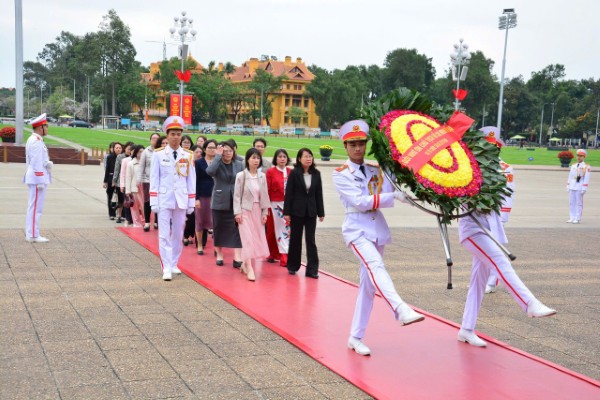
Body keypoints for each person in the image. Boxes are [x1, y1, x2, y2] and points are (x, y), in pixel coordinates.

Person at [332, 119, 424, 357]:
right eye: (352, 144)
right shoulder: (341, 174)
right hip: (356, 229)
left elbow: (388, 189)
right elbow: (360, 202)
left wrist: (394, 165)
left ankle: (355, 337)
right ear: (345, 146)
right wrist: (392, 196)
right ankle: (400, 309)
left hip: (376, 229)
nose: (358, 148)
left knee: (368, 287)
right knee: (375, 266)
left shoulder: (375, 169)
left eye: (361, 143)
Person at [458, 207, 557, 347]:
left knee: (478, 282)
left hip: (487, 231)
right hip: (473, 231)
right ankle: (529, 303)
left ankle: (466, 329)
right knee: (501, 262)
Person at [150, 116, 196, 281]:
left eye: (178, 134)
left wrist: (191, 202)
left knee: (178, 233)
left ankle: (174, 262)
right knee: (164, 234)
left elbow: (191, 180)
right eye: (173, 134)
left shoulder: (187, 155)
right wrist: (154, 201)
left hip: (181, 199)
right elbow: (154, 178)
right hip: (164, 198)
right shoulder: (158, 154)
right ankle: (166, 267)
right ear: (167, 136)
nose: (176, 137)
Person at [480, 129, 515, 294]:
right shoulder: (480, 165)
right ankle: (481, 281)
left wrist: (504, 216)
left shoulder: (506, 168)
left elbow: (509, 193)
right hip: (482, 213)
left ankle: (492, 282)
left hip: (497, 214)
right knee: (482, 247)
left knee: (494, 248)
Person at [283, 148, 325, 279]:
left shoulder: (316, 174)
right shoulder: (294, 173)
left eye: (310, 156)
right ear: (299, 159)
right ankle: (292, 266)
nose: (308, 159)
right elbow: (289, 194)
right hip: (297, 211)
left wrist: (321, 212)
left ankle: (312, 269)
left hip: (311, 212)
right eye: (306, 156)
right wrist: (287, 212)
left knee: (310, 240)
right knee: (295, 239)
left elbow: (318, 194)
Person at [233, 148, 271, 281]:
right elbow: (236, 196)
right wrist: (237, 212)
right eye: (253, 158)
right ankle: (249, 268)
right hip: (245, 210)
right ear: (247, 160)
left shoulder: (262, 176)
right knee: (247, 239)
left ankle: (244, 264)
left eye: (258, 158)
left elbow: (265, 195)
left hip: (257, 210)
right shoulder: (241, 176)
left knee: (255, 239)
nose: (256, 160)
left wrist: (265, 212)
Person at [206, 140, 244, 267]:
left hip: (235, 201)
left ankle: (237, 257)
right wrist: (217, 156)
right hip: (220, 200)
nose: (228, 153)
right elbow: (210, 171)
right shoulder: (217, 163)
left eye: (230, 151)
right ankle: (219, 254)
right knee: (219, 228)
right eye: (225, 151)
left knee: (237, 229)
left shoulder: (239, 164)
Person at [24, 113, 53, 242]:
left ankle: (32, 233)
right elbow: (35, 162)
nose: (47, 129)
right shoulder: (36, 141)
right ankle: (33, 235)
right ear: (41, 127)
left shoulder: (35, 139)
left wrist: (47, 163)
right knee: (36, 207)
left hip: (35, 177)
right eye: (46, 126)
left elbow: (37, 160)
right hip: (37, 179)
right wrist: (40, 179)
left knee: (34, 206)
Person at [266, 149, 292, 268]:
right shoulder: (270, 172)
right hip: (275, 205)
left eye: (284, 157)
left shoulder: (291, 172)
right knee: (274, 229)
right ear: (275, 159)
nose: (282, 159)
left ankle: (285, 253)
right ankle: (273, 253)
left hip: (289, 205)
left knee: (287, 229)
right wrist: (265, 206)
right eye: (280, 156)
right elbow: (267, 189)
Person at [194, 139, 217, 255]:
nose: (212, 150)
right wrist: (196, 198)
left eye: (214, 148)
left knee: (216, 222)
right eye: (209, 147)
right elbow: (195, 181)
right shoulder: (199, 163)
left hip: (217, 195)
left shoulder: (219, 162)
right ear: (204, 149)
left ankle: (217, 247)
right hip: (203, 195)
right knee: (200, 221)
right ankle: (199, 245)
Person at [138, 133, 161, 231]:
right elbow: (141, 166)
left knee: (159, 201)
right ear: (150, 140)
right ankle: (147, 222)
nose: (155, 140)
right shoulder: (146, 151)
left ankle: (156, 221)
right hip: (147, 180)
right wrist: (139, 179)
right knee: (147, 201)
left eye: (157, 138)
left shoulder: (162, 151)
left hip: (160, 181)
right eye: (153, 138)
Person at [566, 149, 591, 224]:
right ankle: (572, 217)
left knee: (579, 203)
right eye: (578, 156)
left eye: (581, 156)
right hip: (572, 185)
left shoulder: (586, 167)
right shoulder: (573, 165)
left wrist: (584, 188)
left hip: (580, 186)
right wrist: (568, 185)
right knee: (571, 203)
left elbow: (586, 178)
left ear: (584, 157)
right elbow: (570, 176)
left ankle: (577, 218)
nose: (579, 157)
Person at [125, 145, 145, 227]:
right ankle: (136, 223)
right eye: (140, 152)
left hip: (144, 189)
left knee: (144, 207)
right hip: (134, 189)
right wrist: (128, 191)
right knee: (135, 208)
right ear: (136, 153)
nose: (141, 153)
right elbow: (128, 177)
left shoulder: (146, 163)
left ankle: (145, 222)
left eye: (143, 152)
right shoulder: (131, 164)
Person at [103, 142, 122, 220]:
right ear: (113, 149)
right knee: (111, 197)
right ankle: (111, 214)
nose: (118, 149)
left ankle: (120, 214)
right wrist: (105, 181)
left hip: (120, 180)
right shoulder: (110, 157)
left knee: (120, 197)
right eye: (116, 148)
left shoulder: (123, 157)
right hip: (111, 179)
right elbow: (107, 169)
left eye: (120, 148)